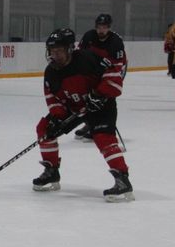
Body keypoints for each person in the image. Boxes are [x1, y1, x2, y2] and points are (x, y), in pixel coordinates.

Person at [33, 28, 134, 202]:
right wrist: (57, 117)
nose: (55, 55)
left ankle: (123, 180)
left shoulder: (89, 59)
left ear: (70, 49)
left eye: (59, 51)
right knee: (44, 128)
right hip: (74, 108)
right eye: (52, 51)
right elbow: (52, 98)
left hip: (101, 106)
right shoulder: (51, 72)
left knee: (103, 137)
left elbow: (114, 77)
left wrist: (100, 94)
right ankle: (51, 171)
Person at [75, 13, 128, 141]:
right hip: (93, 71)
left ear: (109, 27)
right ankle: (90, 124)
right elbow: (80, 54)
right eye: (99, 27)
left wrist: (106, 85)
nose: (101, 30)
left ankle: (108, 127)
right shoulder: (89, 36)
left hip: (113, 71)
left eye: (104, 27)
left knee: (107, 98)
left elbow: (117, 66)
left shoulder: (116, 41)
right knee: (88, 98)